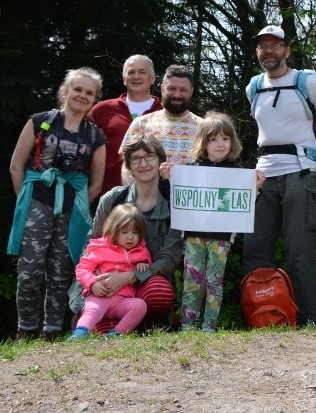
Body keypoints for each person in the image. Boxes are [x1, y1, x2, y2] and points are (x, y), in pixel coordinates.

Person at [244, 24, 316, 326]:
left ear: (287, 50)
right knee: (255, 250)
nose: (268, 50)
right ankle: (259, 318)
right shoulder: (253, 86)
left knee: (299, 253)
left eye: (274, 45)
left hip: (301, 175)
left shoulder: (306, 81)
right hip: (262, 178)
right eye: (262, 46)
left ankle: (307, 320)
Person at [8, 67, 107, 341]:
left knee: (61, 272)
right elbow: (16, 166)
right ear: (65, 91)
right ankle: (26, 330)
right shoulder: (40, 121)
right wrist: (25, 202)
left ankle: (52, 331)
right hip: (36, 203)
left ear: (94, 99)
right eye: (78, 89)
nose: (82, 96)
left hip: (72, 208)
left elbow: (96, 183)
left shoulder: (95, 136)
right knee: (29, 272)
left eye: (89, 93)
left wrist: (77, 207)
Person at [160, 112, 265, 332]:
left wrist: (255, 187)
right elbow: (172, 196)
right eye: (213, 139)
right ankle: (188, 326)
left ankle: (210, 326)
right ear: (203, 141)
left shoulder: (238, 172)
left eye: (225, 139)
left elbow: (246, 203)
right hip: (193, 235)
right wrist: (168, 178)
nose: (220, 144)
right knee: (191, 280)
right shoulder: (189, 168)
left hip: (222, 237)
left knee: (214, 281)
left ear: (232, 141)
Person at [70, 134, 184, 331]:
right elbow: (92, 242)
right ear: (129, 166)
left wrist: (129, 276)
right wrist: (95, 279)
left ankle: (147, 323)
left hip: (147, 279)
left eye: (149, 156)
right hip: (106, 281)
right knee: (100, 331)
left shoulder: (175, 203)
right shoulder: (112, 199)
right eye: (136, 159)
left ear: (160, 160)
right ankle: (99, 320)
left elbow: (169, 259)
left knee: (160, 291)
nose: (143, 163)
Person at [69, 204, 151, 339]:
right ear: (113, 231)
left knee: (140, 306)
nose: (130, 237)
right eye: (124, 232)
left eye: (135, 233)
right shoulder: (101, 248)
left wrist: (143, 265)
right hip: (100, 296)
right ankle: (80, 332)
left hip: (122, 301)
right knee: (93, 310)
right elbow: (82, 268)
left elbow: (149, 267)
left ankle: (117, 334)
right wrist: (92, 284)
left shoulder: (142, 251)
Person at [90, 55, 162, 198]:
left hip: (154, 199)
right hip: (108, 195)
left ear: (152, 79)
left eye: (142, 72)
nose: (136, 76)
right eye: (131, 72)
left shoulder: (164, 112)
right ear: (124, 79)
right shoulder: (102, 110)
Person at [120, 64, 201, 185]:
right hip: (149, 200)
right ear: (162, 89)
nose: (177, 95)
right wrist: (134, 199)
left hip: (191, 200)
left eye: (183, 90)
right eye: (172, 89)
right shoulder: (141, 124)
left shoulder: (204, 128)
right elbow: (127, 167)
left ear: (191, 92)